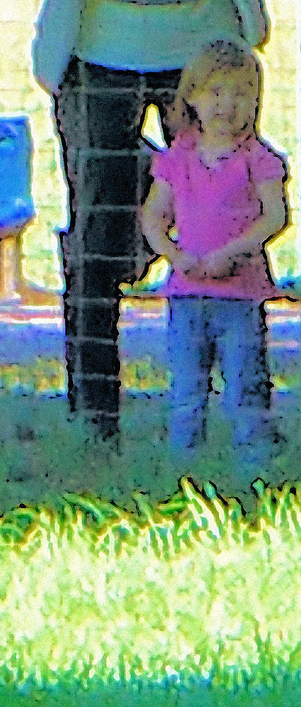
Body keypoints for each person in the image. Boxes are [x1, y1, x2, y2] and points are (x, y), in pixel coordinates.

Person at [31, 0, 270, 443]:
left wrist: (249, 21)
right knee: (97, 243)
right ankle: (94, 418)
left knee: (230, 215)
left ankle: (249, 417)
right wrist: (53, 53)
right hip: (99, 53)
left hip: (201, 49)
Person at [140, 40, 289, 478]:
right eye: (216, 93)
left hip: (239, 295)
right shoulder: (178, 158)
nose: (228, 105)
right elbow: (154, 215)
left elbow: (274, 217)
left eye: (241, 93)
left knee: (245, 385)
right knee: (186, 387)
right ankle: (182, 473)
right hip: (187, 293)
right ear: (192, 97)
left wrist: (231, 253)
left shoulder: (258, 160)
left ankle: (255, 470)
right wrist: (175, 255)